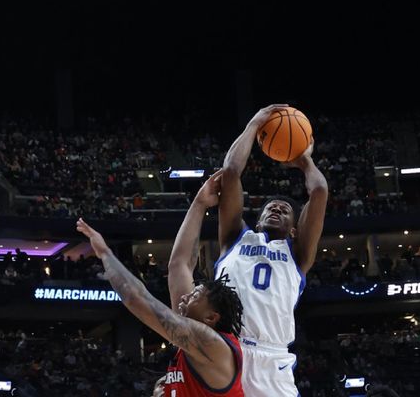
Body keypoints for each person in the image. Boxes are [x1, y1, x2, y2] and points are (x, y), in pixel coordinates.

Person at [216, 104, 329, 397]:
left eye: (285, 210)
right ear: (257, 219)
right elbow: (229, 172)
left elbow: (319, 192)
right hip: (228, 349)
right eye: (270, 207)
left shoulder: (298, 255)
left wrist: (304, 161)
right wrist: (254, 125)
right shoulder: (235, 239)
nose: (277, 208)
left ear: (295, 230)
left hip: (273, 358)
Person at [77, 203, 244, 397]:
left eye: (195, 296)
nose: (186, 296)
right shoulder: (194, 341)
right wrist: (199, 203)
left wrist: (105, 253)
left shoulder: (212, 344)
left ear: (211, 318)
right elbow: (179, 265)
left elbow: (135, 298)